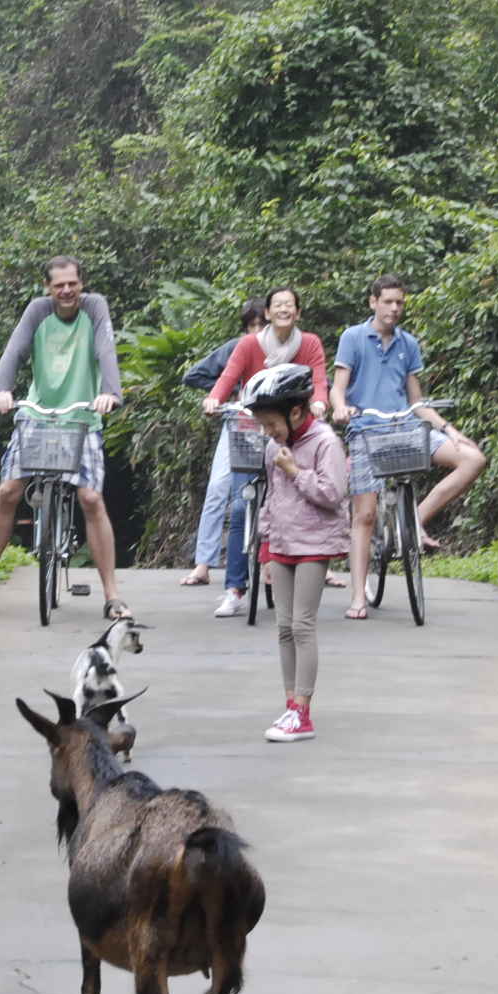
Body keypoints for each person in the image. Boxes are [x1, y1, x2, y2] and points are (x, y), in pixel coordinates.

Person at [0, 256, 131, 620]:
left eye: (72, 283)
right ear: (48, 288)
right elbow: (14, 351)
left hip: (83, 415)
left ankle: (112, 594)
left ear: (81, 283)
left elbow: (106, 351)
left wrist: (110, 392)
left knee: (90, 498)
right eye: (59, 285)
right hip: (38, 415)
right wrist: (0, 389)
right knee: (8, 491)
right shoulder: (38, 311)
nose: (67, 290)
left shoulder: (95, 308)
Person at [330, 274, 487, 614]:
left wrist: (450, 430)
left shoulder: (408, 343)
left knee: (472, 458)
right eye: (387, 301)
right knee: (365, 515)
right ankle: (358, 596)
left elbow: (418, 401)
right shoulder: (353, 338)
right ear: (373, 302)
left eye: (399, 302)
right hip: (366, 431)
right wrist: (340, 407)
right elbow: (337, 387)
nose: (394, 308)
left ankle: (414, 519)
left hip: (405, 429)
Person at [200, 286, 329, 618]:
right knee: (243, 505)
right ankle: (234, 588)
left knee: (294, 503)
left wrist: (319, 402)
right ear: (268, 313)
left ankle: (294, 574)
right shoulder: (249, 344)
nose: (284, 309)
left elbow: (319, 380)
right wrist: (214, 398)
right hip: (252, 432)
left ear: (298, 312)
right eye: (278, 305)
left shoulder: (309, 343)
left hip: (291, 432)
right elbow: (229, 377)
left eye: (290, 305)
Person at [241, 363, 349, 742]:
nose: (267, 432)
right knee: (283, 627)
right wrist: (266, 547)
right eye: (262, 425)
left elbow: (333, 493)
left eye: (271, 423)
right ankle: (289, 706)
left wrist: (293, 470)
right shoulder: (274, 447)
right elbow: (270, 500)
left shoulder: (325, 443)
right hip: (284, 544)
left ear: (297, 412)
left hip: (314, 544)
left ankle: (303, 713)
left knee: (303, 625)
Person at [179, 298, 267, 588]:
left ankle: (316, 564)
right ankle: (203, 563)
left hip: (274, 429)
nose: (255, 331)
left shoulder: (283, 349)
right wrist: (224, 395)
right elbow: (194, 376)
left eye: (261, 325)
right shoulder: (235, 348)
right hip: (238, 427)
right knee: (218, 488)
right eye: (251, 326)